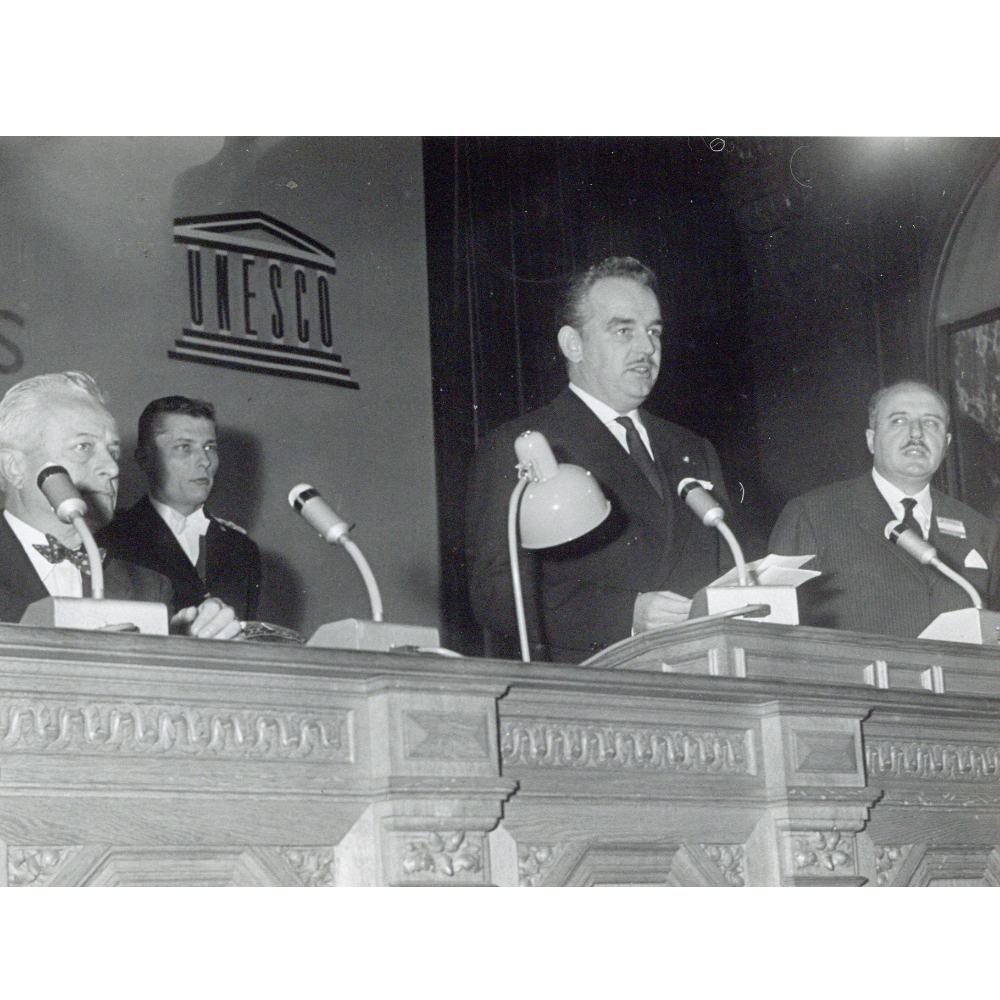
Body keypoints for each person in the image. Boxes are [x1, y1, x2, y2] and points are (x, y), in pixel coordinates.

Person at [466, 256, 730, 663]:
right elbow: (495, 592)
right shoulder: (522, 445)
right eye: (623, 330)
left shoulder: (693, 449)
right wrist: (626, 614)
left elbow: (725, 567)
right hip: (595, 685)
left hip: (699, 677)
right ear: (573, 344)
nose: (647, 347)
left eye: (654, 331)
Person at [0, 372, 241, 638]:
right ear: (14, 467)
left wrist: (184, 647)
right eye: (83, 447)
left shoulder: (149, 586)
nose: (111, 467)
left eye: (113, 452)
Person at [769, 379, 1000, 637]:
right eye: (899, 421)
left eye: (930, 423)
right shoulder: (812, 515)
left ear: (946, 444)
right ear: (871, 439)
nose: (916, 433)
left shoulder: (980, 531)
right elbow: (779, 633)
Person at [99, 396, 262, 621]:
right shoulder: (110, 536)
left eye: (209, 447)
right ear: (145, 459)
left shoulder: (242, 549)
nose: (204, 460)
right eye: (184, 447)